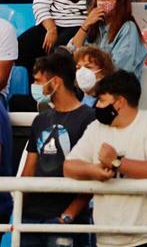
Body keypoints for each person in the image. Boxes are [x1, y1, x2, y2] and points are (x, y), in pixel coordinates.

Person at [64, 70, 147, 247]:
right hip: (106, 239)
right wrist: (93, 170)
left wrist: (117, 162)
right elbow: (69, 166)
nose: (97, 106)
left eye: (102, 100)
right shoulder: (96, 128)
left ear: (120, 103)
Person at [21, 50, 95, 247]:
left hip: (66, 221)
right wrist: (18, 212)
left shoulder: (90, 119)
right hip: (30, 220)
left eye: (38, 81)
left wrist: (68, 216)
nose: (36, 87)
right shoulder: (40, 120)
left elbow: (93, 174)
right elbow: (28, 171)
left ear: (55, 82)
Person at [66, 0, 147, 78]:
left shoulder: (128, 28)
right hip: (89, 85)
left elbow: (120, 68)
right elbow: (70, 55)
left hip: (115, 88)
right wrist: (85, 25)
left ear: (120, 0)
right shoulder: (94, 26)